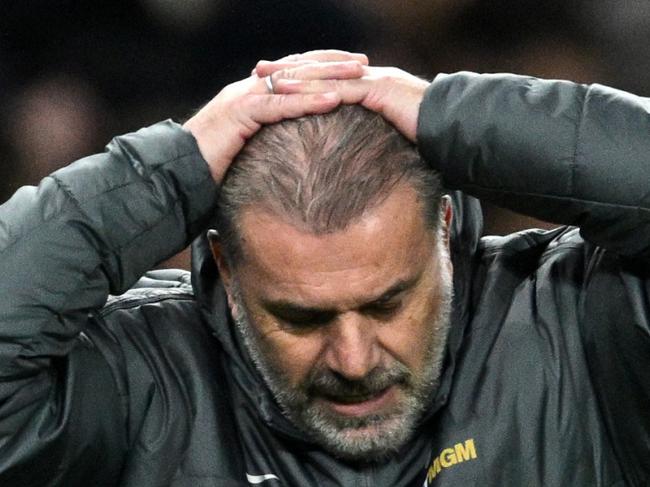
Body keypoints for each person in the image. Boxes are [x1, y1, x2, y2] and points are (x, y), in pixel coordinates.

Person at [0, 49, 648, 487]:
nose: (354, 358)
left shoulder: (577, 324)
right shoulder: (143, 383)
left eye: (388, 302)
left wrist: (453, 116)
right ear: (224, 267)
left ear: (445, 229)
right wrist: (175, 166)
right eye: (300, 316)